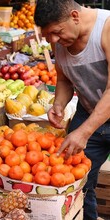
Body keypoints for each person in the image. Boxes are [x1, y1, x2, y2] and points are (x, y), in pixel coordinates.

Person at [34, 0, 110, 219]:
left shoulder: (106, 28)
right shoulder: (60, 39)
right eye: (49, 35)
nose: (54, 41)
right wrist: (59, 103)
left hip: (93, 121)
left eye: (56, 33)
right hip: (89, 114)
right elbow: (64, 78)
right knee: (78, 185)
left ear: (75, 16)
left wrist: (84, 132)